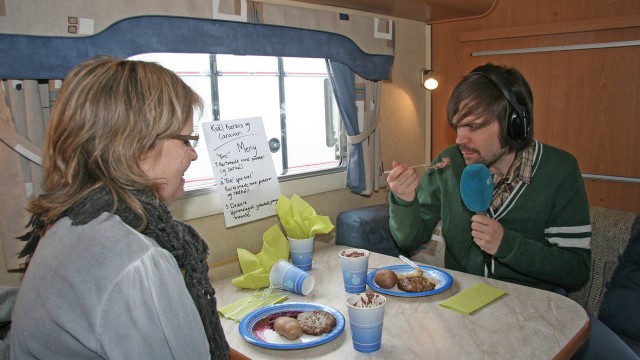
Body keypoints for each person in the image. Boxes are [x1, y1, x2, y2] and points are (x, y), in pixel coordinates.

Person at [387, 63, 638, 359]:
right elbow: (408, 239)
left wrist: (507, 245)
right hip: (464, 301)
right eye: (457, 126)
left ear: (514, 123)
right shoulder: (449, 163)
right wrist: (404, 200)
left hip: (539, 307)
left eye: (474, 126)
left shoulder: (559, 171)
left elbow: (575, 270)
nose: (459, 139)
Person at [10, 56, 236, 359]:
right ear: (138, 146)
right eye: (187, 140)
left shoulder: (67, 220)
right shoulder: (138, 264)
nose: (193, 155)